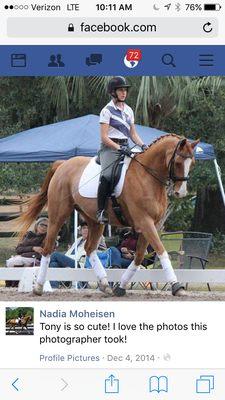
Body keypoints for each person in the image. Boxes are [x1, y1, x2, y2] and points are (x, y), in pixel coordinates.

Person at [96, 76, 148, 224]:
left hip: (126, 146)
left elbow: (133, 134)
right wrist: (119, 148)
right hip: (109, 148)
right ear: (113, 92)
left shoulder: (129, 110)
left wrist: (143, 145)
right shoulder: (107, 111)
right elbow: (104, 137)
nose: (124, 93)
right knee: (107, 175)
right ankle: (100, 211)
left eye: (125, 90)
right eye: (120, 90)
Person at [49, 221, 122, 288]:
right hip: (71, 262)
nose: (86, 230)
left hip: (81, 263)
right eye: (84, 228)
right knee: (54, 264)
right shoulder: (78, 240)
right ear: (80, 231)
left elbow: (95, 243)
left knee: (55, 255)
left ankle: (42, 274)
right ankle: (54, 287)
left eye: (89, 228)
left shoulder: (96, 237)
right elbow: (68, 253)